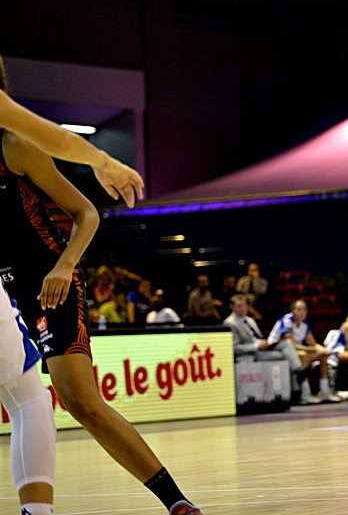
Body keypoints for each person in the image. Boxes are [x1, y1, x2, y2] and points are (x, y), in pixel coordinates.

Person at [0, 61, 203, 515]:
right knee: (29, 401)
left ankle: (176, 501)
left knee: (79, 400)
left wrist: (64, 265)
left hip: (48, 281)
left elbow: (87, 212)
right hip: (3, 292)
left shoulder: (15, 145)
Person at [267, 299, 339, 403]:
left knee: (323, 356)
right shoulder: (287, 321)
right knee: (303, 355)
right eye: (298, 309)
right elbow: (292, 346)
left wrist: (323, 349)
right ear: (293, 310)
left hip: (294, 350)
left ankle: (325, 391)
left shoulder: (305, 322)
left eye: (304, 309)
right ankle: (305, 394)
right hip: (279, 349)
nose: (302, 312)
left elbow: (313, 343)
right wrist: (313, 349)